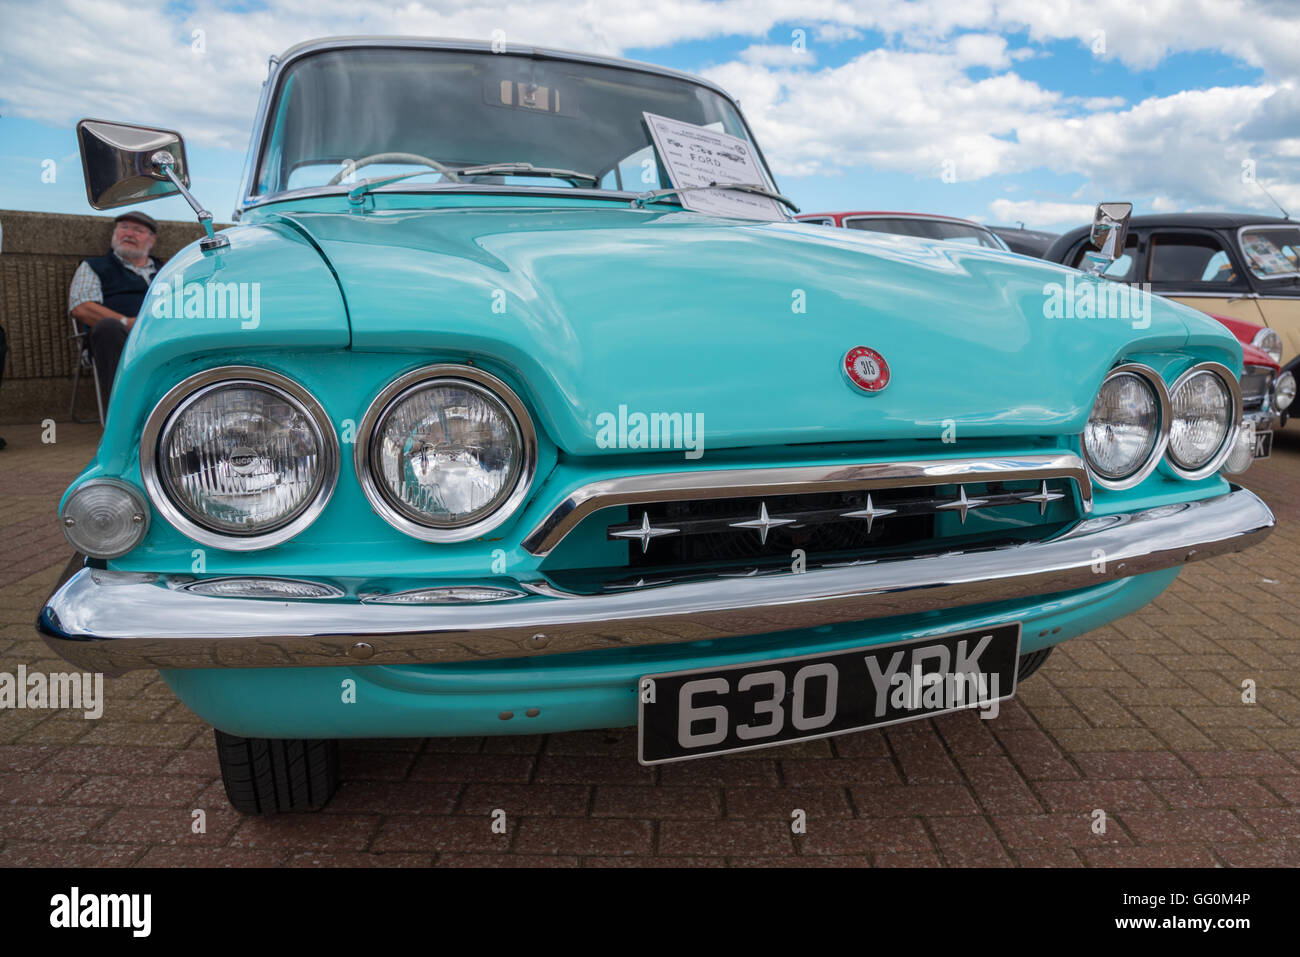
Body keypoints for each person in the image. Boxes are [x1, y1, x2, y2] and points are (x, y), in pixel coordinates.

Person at [68, 211, 163, 401]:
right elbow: (81, 307)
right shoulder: (94, 266)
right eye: (123, 227)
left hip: (161, 335)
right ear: (114, 233)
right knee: (108, 327)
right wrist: (127, 322)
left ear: (151, 240)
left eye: (138, 230)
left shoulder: (166, 270)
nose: (129, 234)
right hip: (121, 338)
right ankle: (126, 413)